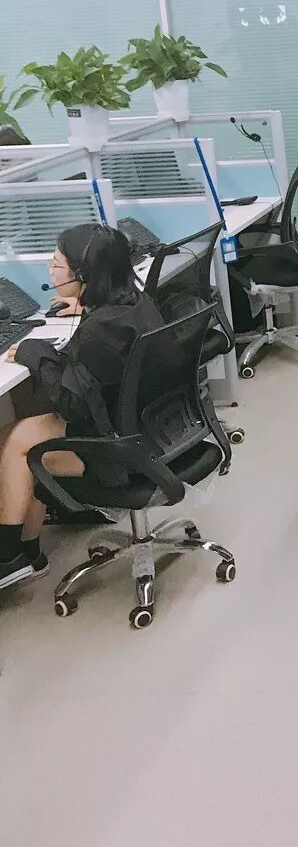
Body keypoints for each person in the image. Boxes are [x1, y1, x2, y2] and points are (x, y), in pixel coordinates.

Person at [0, 224, 160, 591]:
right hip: (150, 431)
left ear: (85, 276)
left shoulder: (102, 330)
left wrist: (34, 352)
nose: (50, 270)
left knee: (18, 441)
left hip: (117, 454)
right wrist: (85, 306)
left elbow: (72, 402)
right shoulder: (133, 303)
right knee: (19, 427)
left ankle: (10, 557)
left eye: (57, 264)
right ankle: (28, 551)